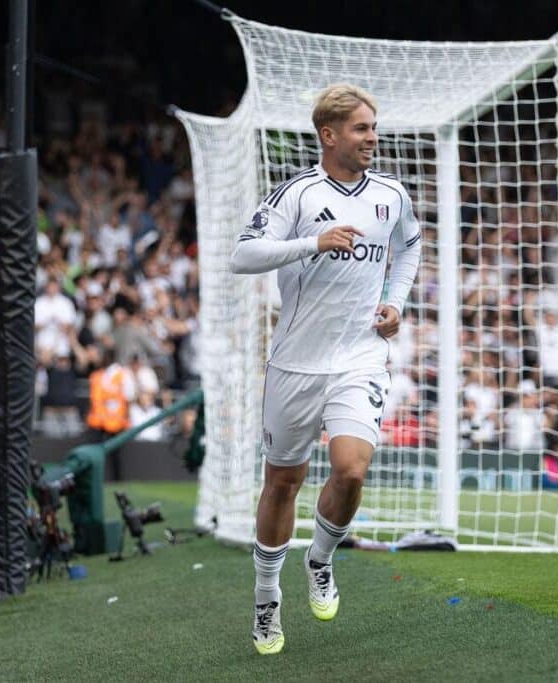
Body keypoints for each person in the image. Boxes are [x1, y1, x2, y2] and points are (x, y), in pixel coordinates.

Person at [230, 83, 422, 655]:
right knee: (283, 482)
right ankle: (267, 597)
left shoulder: (391, 194)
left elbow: (410, 245)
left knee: (351, 470)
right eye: (362, 128)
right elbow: (243, 255)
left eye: (374, 127)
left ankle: (319, 559)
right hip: (295, 363)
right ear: (329, 134)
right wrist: (313, 242)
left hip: (361, 356)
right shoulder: (297, 194)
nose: (373, 137)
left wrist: (397, 303)